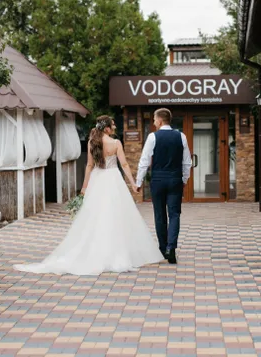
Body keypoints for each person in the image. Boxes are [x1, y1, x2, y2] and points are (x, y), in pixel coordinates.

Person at [14, 115, 163, 276]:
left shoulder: (93, 143)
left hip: (98, 180)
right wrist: (133, 183)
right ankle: (115, 253)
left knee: (96, 216)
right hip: (113, 180)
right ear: (106, 128)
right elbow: (125, 164)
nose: (114, 127)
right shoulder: (115, 143)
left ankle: (98, 251)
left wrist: (84, 188)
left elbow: (89, 166)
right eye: (112, 125)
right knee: (116, 215)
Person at [136, 108, 192, 264]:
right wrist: (184, 180)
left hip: (158, 181)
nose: (154, 122)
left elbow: (144, 161)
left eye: (154, 119)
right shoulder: (181, 136)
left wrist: (139, 182)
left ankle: (162, 249)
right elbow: (187, 161)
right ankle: (171, 248)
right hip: (175, 180)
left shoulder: (153, 137)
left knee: (160, 215)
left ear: (160, 120)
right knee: (174, 214)